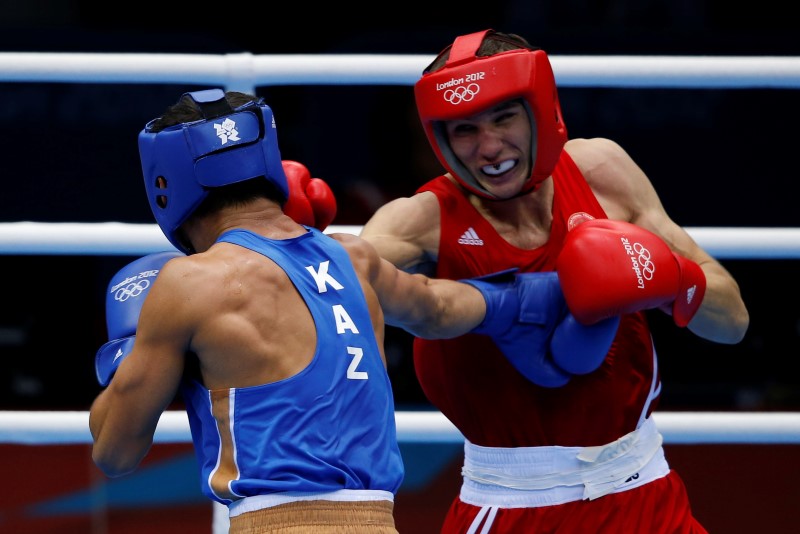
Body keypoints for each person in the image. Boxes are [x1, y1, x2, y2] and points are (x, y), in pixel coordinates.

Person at [88, 88, 616, 533]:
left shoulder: (186, 284)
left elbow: (115, 454)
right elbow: (438, 308)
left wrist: (126, 358)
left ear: (164, 183)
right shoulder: (354, 256)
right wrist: (545, 292)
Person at [360, 29, 750, 533]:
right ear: (440, 139)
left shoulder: (602, 173)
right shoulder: (422, 221)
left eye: (504, 118)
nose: (489, 147)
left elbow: (733, 322)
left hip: (647, 493)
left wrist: (669, 277)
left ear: (539, 110)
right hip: (513, 508)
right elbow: (336, 287)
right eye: (464, 130)